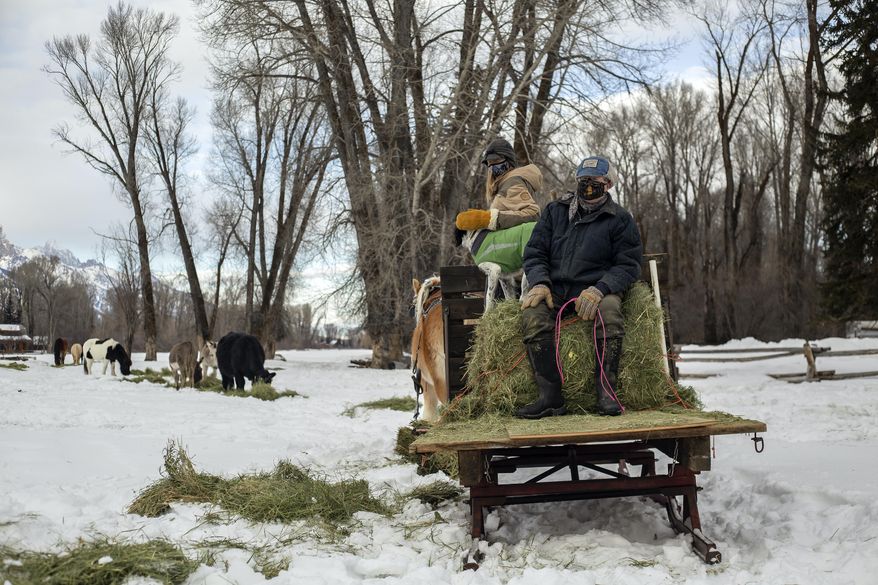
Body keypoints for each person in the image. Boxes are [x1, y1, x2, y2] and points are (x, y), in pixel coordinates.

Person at [517, 155, 643, 418]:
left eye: (595, 181)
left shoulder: (620, 219)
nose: (588, 186)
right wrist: (539, 282)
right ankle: (550, 397)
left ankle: (606, 391)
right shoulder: (555, 212)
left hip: (596, 289)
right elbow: (535, 252)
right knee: (532, 313)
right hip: (557, 289)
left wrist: (600, 288)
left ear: (607, 184)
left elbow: (628, 264)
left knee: (609, 311)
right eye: (583, 180)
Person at [454, 137, 542, 273]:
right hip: (512, 253)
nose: (492, 167)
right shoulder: (502, 184)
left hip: (517, 252)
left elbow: (533, 214)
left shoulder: (512, 183)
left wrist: (490, 219)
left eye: (496, 161)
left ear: (509, 161)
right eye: (489, 163)